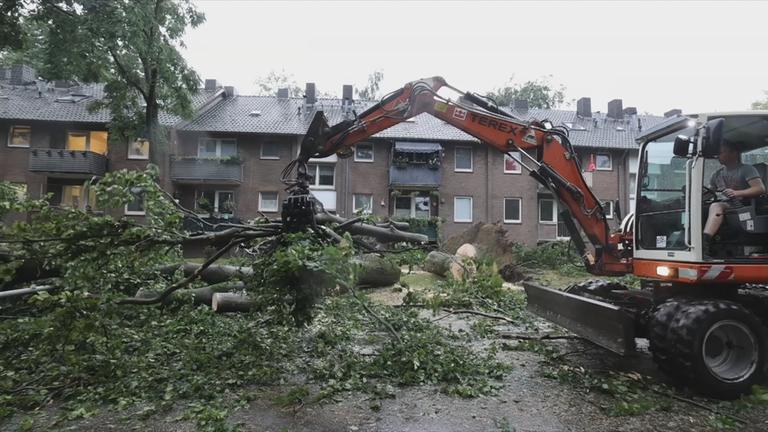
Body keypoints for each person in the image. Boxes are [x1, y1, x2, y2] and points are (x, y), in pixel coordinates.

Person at [703, 140, 766, 256]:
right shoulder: (717, 174)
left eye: (721, 152)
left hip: (743, 204)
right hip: (726, 204)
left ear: (734, 153)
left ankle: (704, 242)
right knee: (702, 207)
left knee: (716, 206)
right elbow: (710, 192)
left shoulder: (746, 169)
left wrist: (737, 193)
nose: (718, 156)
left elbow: (760, 189)